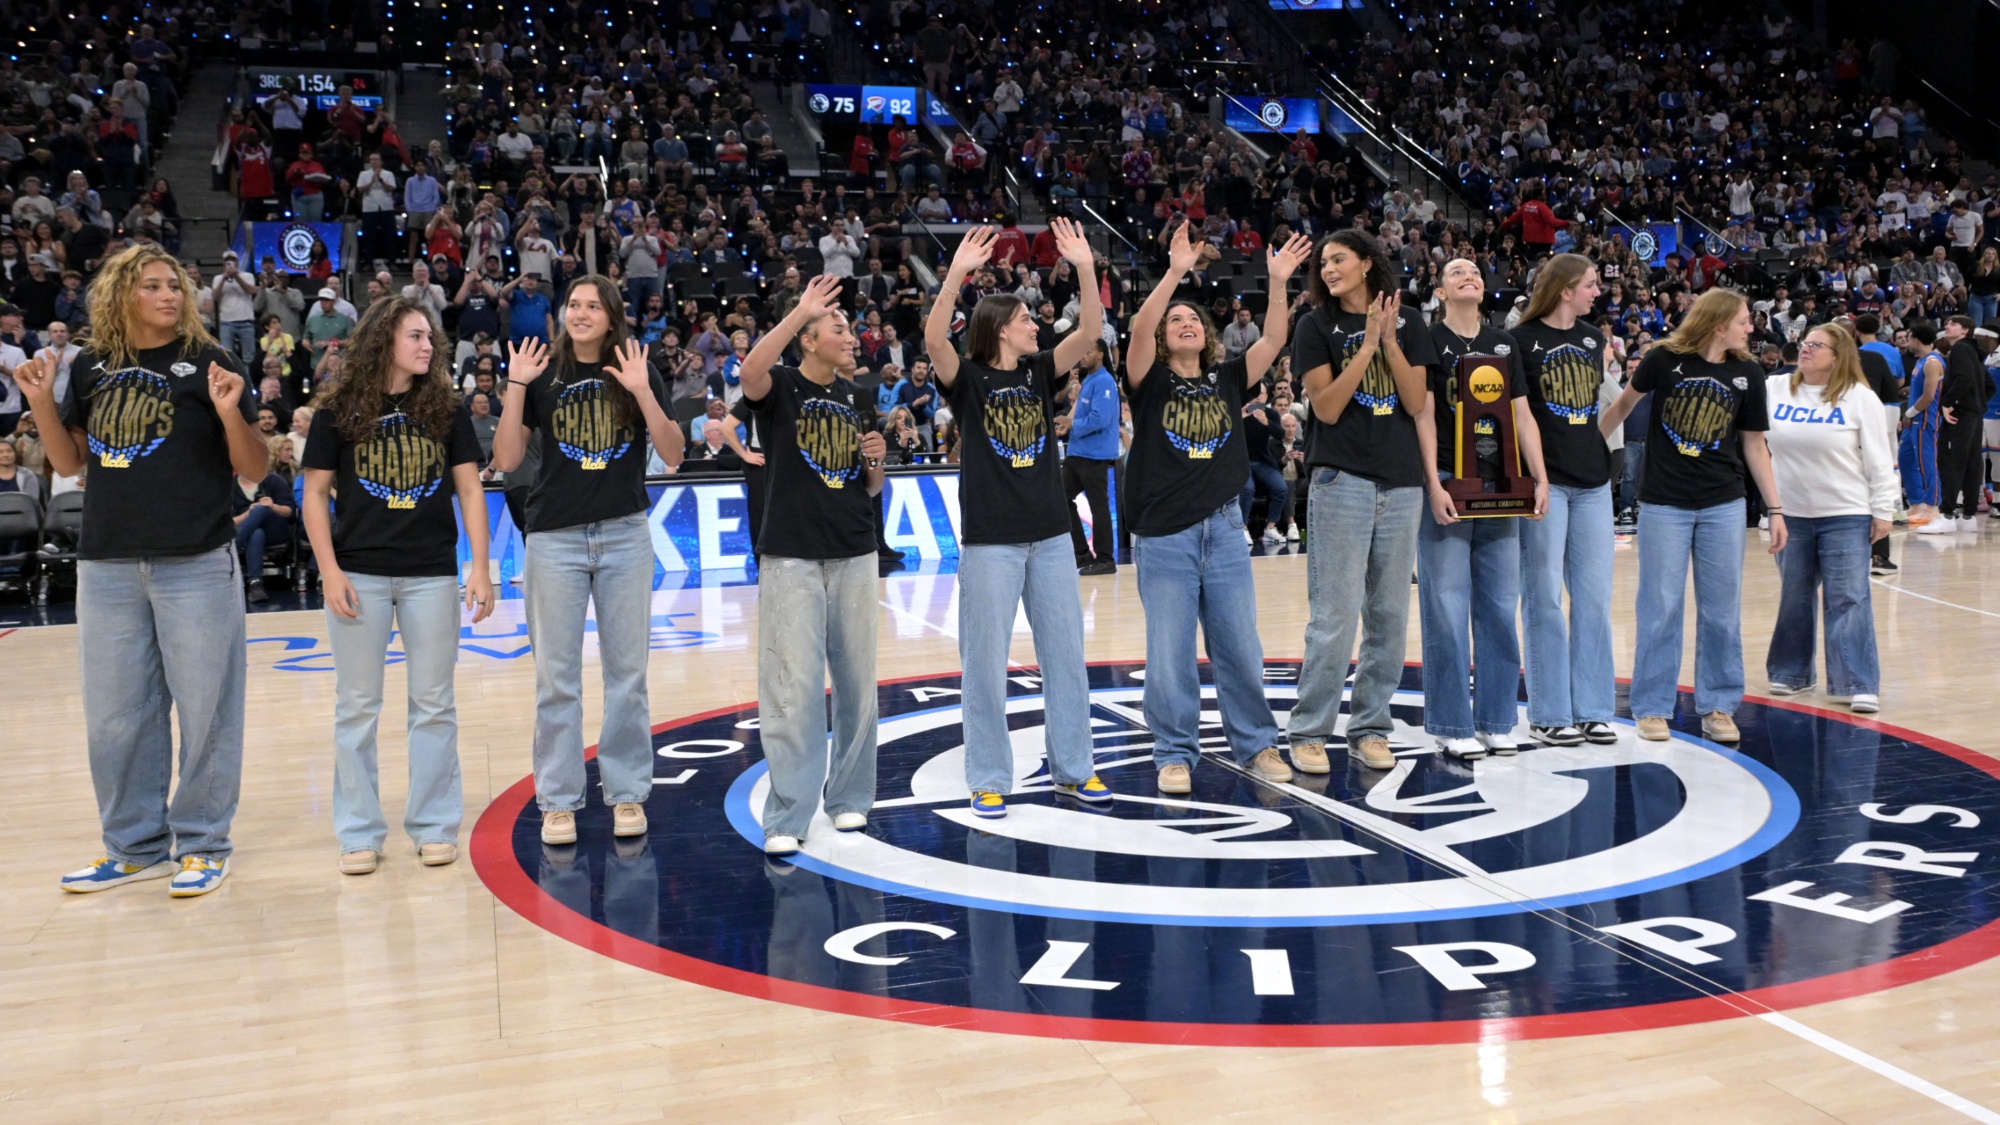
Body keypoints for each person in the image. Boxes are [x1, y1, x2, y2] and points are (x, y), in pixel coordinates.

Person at [14, 244, 268, 897]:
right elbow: (70, 463)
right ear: (122, 293)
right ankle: (133, 847)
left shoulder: (212, 360)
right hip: (107, 563)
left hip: (196, 560)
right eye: (152, 285)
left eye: (174, 285)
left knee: (207, 711)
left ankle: (204, 843)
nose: (169, 296)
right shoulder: (92, 364)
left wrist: (228, 412)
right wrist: (40, 401)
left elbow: (255, 467)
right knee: (116, 715)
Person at [925, 220, 1113, 818]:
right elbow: (933, 340)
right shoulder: (968, 379)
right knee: (984, 667)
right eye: (1027, 319)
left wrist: (1086, 268)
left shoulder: (1038, 372)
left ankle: (1074, 769)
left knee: (1066, 659)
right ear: (1001, 328)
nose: (1037, 325)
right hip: (991, 543)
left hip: (1052, 537)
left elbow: (1090, 332)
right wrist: (956, 276)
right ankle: (987, 777)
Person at [490, 276, 686, 846]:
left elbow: (673, 454)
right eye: (573, 305)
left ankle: (627, 793)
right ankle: (558, 801)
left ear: (611, 315)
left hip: (625, 534)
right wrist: (515, 386)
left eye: (592, 306)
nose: (580, 313)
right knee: (557, 680)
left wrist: (642, 391)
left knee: (628, 676)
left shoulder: (636, 366)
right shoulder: (542, 371)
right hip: (554, 539)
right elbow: (506, 459)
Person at [302, 296, 495, 874]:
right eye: (415, 336)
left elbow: (470, 490)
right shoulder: (338, 408)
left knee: (433, 705)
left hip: (430, 572)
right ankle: (359, 832)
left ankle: (434, 825)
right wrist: (328, 570)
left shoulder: (445, 407)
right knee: (357, 707)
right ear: (383, 338)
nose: (427, 346)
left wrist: (479, 566)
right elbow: (315, 494)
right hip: (357, 572)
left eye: (430, 338)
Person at [1123, 223, 1313, 792]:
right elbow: (1138, 329)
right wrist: (1176, 272)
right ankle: (1173, 752)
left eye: (1193, 319)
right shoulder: (1148, 380)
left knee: (1240, 647)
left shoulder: (1228, 377)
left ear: (1207, 335)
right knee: (1170, 653)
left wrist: (1277, 281)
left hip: (1226, 528)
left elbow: (1274, 338)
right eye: (1175, 320)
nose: (1185, 322)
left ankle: (1256, 743)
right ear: (1164, 338)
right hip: (1165, 534)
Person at [734, 274, 889, 854]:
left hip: (854, 548)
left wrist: (877, 462)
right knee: (791, 688)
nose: (851, 337)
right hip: (791, 554)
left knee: (857, 685)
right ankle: (787, 815)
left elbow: (868, 488)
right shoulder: (780, 385)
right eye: (839, 328)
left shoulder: (858, 396)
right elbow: (749, 373)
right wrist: (799, 309)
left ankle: (849, 799)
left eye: (850, 329)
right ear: (807, 338)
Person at [1602, 288, 1787, 744]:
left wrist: (1775, 508)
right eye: (1743, 321)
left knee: (1721, 611)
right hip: (1664, 503)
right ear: (1718, 324)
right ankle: (1651, 706)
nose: (1750, 328)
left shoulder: (1748, 372)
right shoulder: (1663, 359)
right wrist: (1585, 451)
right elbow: (1622, 406)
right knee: (1660, 607)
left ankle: (1718, 705)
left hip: (1724, 504)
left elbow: (1754, 444)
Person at [1287, 229, 1440, 773]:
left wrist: (1390, 340)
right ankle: (1309, 731)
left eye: (1339, 259)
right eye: (1323, 263)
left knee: (1389, 615)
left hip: (1401, 483)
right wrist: (1369, 345)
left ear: (1368, 263)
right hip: (1341, 481)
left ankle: (1371, 727)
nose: (1328, 269)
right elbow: (1327, 408)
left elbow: (1416, 402)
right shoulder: (1314, 326)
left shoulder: (1411, 321)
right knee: (1335, 614)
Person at [1416, 257, 1551, 760]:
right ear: (1440, 292)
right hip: (1450, 481)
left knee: (1497, 607)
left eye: (1474, 271)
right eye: (1455, 272)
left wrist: (1539, 477)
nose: (1468, 276)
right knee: (1446, 608)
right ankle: (1452, 723)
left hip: (1501, 487)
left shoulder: (1504, 343)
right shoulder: (1428, 339)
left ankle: (1496, 720)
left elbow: (1522, 415)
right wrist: (1432, 483)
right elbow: (1423, 414)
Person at [1510, 253, 1620, 746]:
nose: (1597, 292)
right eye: (1591, 284)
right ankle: (1550, 711)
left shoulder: (1594, 339)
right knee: (1544, 598)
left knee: (1594, 599)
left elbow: (1595, 407)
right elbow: (1518, 416)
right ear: (1565, 289)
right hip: (1545, 483)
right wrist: (1533, 476)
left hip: (1593, 483)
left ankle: (1592, 708)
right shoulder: (1519, 341)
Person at [1763, 323, 1898, 714]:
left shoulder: (1860, 398)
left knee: (1848, 598)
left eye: (1816, 345)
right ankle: (1792, 673)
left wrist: (1883, 510)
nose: (1805, 349)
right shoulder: (1775, 388)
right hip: (1791, 514)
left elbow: (1879, 458)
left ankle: (1857, 682)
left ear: (1838, 357)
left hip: (1846, 514)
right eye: (1805, 343)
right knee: (1794, 597)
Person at [1931, 315, 1995, 529]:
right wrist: (1977, 403)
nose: (1947, 325)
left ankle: (1947, 515)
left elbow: (1964, 379)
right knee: (1971, 463)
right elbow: (1990, 386)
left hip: (1960, 415)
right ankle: (1968, 516)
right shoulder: (1973, 352)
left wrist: (1948, 402)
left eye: (1953, 323)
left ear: (1965, 330)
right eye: (1946, 322)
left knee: (1950, 461)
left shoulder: (1959, 349)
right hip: (1974, 415)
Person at [1853, 314, 1905, 574]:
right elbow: (1893, 390)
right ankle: (1881, 553)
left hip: (1840, 428)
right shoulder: (1882, 354)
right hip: (1880, 414)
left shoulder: (1831, 361)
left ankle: (1857, 554)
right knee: (1885, 469)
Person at [1064, 339, 1121, 574]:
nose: (1083, 355)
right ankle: (1081, 553)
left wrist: (1073, 424)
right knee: (1061, 498)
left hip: (1094, 455)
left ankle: (1105, 559)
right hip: (1078, 453)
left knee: (1099, 507)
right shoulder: (1089, 379)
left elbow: (1100, 419)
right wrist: (1068, 423)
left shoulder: (1105, 381)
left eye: (1088, 351)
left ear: (1100, 354)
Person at [230, 448, 294, 602]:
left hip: (276, 530)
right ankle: (255, 583)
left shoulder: (274, 480)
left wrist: (272, 506)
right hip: (248, 532)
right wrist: (247, 514)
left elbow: (289, 512)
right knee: (256, 533)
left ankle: (233, 550)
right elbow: (227, 522)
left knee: (260, 509)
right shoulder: (230, 486)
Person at [1899, 321, 1944, 528]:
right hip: (1913, 419)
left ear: (1916, 339)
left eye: (1909, 338)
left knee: (1927, 464)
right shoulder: (1920, 361)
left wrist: (1909, 413)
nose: (1907, 342)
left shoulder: (1932, 362)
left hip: (1925, 420)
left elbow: (1929, 396)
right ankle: (1916, 503)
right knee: (1906, 459)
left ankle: (1932, 507)